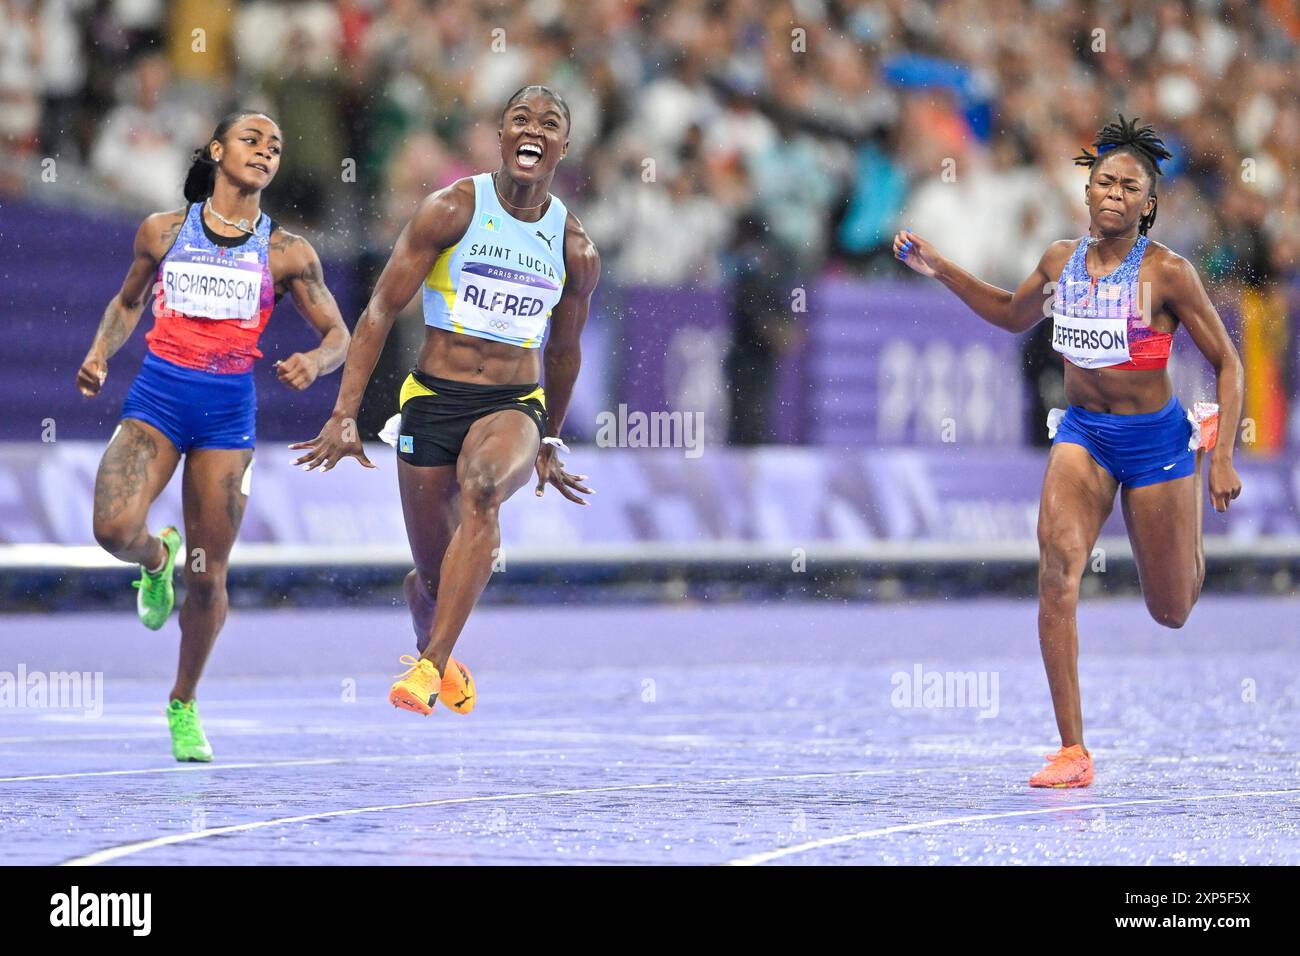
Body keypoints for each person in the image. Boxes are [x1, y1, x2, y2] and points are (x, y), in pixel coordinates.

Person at [893, 115, 1243, 788]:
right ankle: (1072, 751)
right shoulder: (1060, 264)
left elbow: (1228, 362)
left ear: (1148, 203)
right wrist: (938, 267)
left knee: (1170, 610)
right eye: (1103, 180)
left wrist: (1222, 453)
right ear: (1086, 191)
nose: (1113, 192)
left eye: (1129, 185)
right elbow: (1008, 314)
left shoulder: (1168, 273)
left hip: (1156, 444)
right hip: (1083, 433)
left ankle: (1193, 455)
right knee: (1056, 568)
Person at [292, 85, 601, 717]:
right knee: (433, 578)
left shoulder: (575, 248)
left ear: (562, 146)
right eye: (520, 119)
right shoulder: (451, 210)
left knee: (484, 490)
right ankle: (433, 627)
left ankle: (430, 666)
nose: (533, 129)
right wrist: (344, 413)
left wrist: (549, 438)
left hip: (513, 403)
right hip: (432, 401)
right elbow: (379, 310)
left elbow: (566, 350)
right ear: (502, 135)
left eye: (549, 122)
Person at [77, 110, 350, 761]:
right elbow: (128, 302)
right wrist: (99, 352)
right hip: (159, 402)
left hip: (228, 419)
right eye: (252, 140)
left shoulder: (289, 253)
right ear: (217, 149)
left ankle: (182, 702)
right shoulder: (164, 231)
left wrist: (315, 362)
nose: (265, 151)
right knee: (113, 529)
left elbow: (339, 334)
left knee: (209, 576)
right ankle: (153, 558)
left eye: (276, 146)